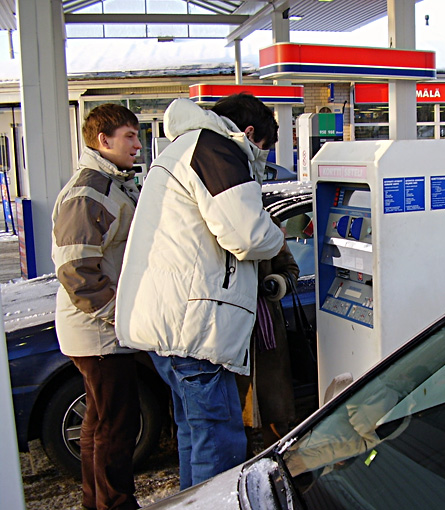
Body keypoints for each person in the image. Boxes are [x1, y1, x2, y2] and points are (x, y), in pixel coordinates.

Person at [115, 94, 284, 490]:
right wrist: (278, 236)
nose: (260, 158)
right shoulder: (216, 148)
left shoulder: (183, 147)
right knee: (220, 440)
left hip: (171, 324)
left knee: (195, 434)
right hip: (194, 328)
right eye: (262, 148)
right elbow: (248, 235)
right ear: (249, 133)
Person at [51, 103, 142, 510]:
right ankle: (115, 504)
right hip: (98, 332)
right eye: (129, 136)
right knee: (116, 426)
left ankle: (97, 502)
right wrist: (118, 316)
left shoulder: (112, 183)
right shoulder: (89, 191)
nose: (137, 145)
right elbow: (76, 271)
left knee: (99, 423)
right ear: (103, 140)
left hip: (98, 329)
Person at [237, 235, 299, 453]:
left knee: (275, 412)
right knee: (236, 415)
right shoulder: (215, 224)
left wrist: (275, 283)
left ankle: (278, 461)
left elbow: (291, 269)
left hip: (266, 328)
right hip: (231, 328)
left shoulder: (268, 225)